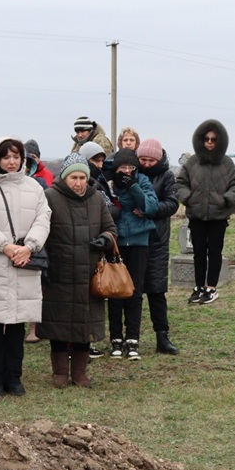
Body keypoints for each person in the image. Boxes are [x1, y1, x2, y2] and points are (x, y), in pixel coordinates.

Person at [0, 137, 51, 398]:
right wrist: (4, 246)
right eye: (6, 157)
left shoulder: (33, 186)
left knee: (17, 324)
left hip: (25, 260)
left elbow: (43, 217)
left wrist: (30, 246)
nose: (12, 161)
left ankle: (14, 378)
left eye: (16, 156)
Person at [40, 154, 116, 387]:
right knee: (59, 325)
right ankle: (60, 373)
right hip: (59, 271)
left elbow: (110, 227)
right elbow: (40, 230)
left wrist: (105, 239)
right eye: (74, 177)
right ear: (65, 177)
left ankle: (80, 373)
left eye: (83, 177)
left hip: (88, 273)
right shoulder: (50, 197)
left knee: (85, 325)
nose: (79, 182)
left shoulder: (96, 199)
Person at [176, 119, 235, 304]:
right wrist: (189, 198)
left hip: (218, 216)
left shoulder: (227, 163)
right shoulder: (192, 162)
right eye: (207, 139)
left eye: (213, 139)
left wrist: (226, 200)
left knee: (214, 252)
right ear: (201, 140)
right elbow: (180, 183)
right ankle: (198, 286)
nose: (210, 142)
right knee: (198, 252)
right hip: (196, 215)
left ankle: (211, 287)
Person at [106, 149, 158, 359]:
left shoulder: (142, 181)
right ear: (116, 167)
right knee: (116, 290)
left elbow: (151, 206)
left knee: (135, 291)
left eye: (131, 168)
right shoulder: (109, 185)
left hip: (139, 241)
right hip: (116, 243)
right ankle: (116, 339)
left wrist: (134, 188)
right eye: (123, 167)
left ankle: (133, 338)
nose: (127, 171)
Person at [135, 138, 180, 355]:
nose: (146, 163)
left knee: (156, 290)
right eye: (142, 159)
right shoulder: (132, 172)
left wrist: (149, 209)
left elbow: (172, 203)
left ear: (158, 158)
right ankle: (128, 338)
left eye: (150, 160)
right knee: (131, 291)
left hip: (157, 239)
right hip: (134, 239)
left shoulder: (167, 176)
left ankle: (162, 336)